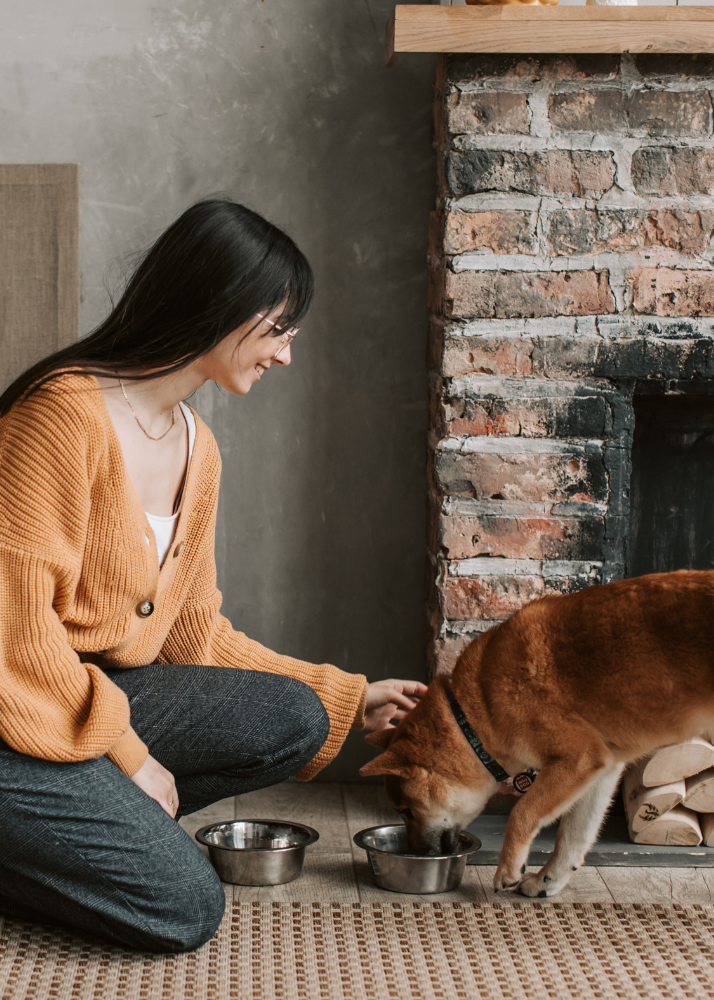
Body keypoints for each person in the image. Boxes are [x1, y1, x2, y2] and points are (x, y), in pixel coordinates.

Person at [0, 199, 426, 953]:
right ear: (220, 304)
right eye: (280, 328)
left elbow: (194, 634)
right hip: (14, 711)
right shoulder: (61, 415)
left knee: (296, 717)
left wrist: (349, 696)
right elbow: (17, 638)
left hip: (81, 706)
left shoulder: (199, 448)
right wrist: (129, 756)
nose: (287, 354)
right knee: (184, 906)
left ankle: (69, 834)